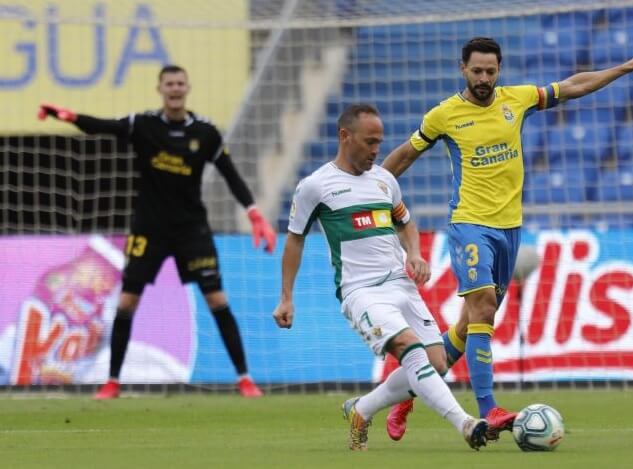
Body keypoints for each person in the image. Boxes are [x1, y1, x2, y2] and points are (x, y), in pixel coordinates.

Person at [381, 37, 633, 441]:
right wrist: (373, 191)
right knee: (483, 306)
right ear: (463, 69)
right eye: (476, 71)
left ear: (499, 70)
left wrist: (624, 68)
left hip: (509, 228)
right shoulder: (444, 115)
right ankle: (488, 408)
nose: (483, 78)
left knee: (467, 328)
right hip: (469, 225)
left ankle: (408, 392)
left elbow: (574, 86)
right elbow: (405, 155)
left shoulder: (518, 100)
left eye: (490, 71)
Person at [37, 64, 277, 399]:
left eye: (180, 83)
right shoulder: (143, 125)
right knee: (127, 300)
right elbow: (101, 126)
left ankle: (245, 379)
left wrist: (253, 213)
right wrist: (67, 115)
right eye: (169, 84)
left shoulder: (206, 133)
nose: (175, 89)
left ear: (187, 87)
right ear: (160, 89)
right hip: (149, 229)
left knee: (217, 298)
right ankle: (112, 382)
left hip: (191, 230)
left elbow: (231, 174)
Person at [272, 104, 488, 451]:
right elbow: (295, 239)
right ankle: (465, 423)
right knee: (409, 350)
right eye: (370, 142)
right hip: (361, 290)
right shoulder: (316, 186)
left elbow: (405, 222)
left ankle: (362, 409)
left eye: (380, 143)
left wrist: (414, 253)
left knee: (438, 363)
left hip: (400, 284)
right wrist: (286, 297)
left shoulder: (384, 181)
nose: (377, 150)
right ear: (345, 137)